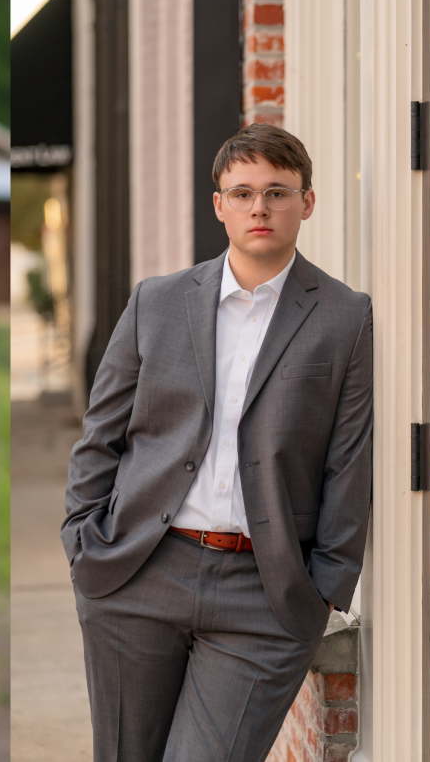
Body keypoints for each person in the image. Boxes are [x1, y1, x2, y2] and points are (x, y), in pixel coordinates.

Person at [62, 124, 373, 762]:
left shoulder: (344, 317)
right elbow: (102, 434)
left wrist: (325, 588)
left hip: (263, 592)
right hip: (140, 572)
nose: (260, 207)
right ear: (220, 205)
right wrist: (83, 539)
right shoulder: (157, 302)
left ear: (307, 203)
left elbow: (349, 461)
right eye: (243, 192)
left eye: (278, 192)